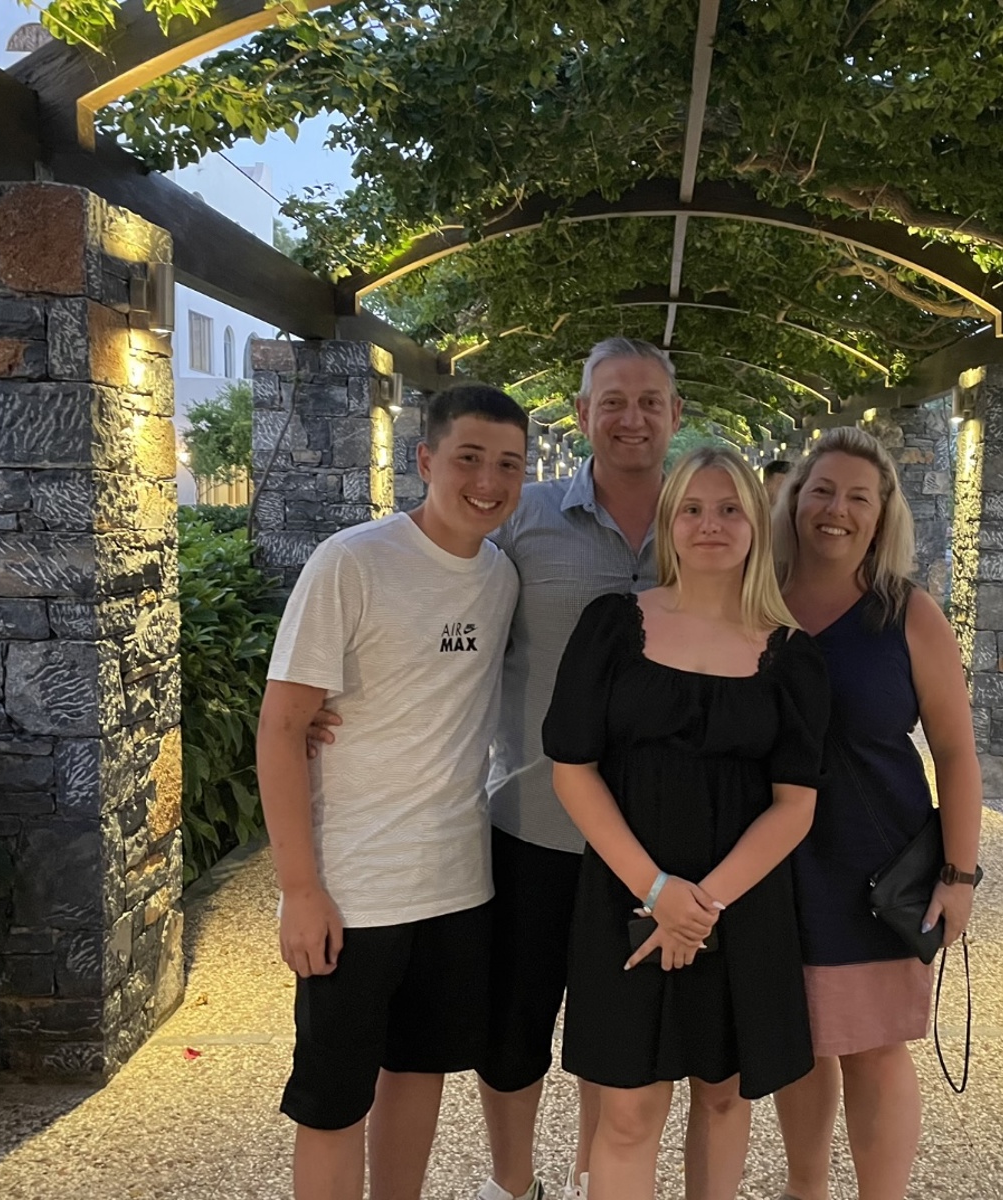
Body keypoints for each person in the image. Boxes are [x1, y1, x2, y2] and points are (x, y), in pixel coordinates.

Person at [308, 338, 685, 1200]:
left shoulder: (708, 521)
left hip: (659, 838)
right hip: (532, 825)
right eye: (612, 400)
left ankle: (596, 1182)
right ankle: (514, 1187)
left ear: (676, 413)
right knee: (512, 1034)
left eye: (649, 401)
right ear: (582, 415)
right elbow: (438, 591)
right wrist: (323, 702)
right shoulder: (521, 517)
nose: (631, 418)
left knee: (621, 1037)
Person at [257, 385, 528, 1200]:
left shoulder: (501, 576)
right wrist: (300, 889)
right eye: (468, 458)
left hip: (457, 883)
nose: (488, 481)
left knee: (419, 1073)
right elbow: (281, 728)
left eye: (508, 464)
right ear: (426, 460)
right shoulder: (352, 560)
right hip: (355, 888)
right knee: (333, 1102)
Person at [544, 446, 828, 1200]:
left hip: (742, 903)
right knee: (628, 1110)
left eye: (731, 509)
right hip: (625, 894)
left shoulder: (792, 655)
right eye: (694, 510)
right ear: (669, 524)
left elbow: (795, 804)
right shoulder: (613, 626)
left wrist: (701, 907)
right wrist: (658, 892)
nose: (711, 525)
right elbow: (572, 770)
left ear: (757, 525)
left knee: (724, 1094)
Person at [769, 427, 982, 1200]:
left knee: (874, 1049)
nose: (838, 509)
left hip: (874, 866)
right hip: (771, 863)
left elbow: (956, 753)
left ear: (882, 513)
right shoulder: (756, 600)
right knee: (798, 1044)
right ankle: (805, 1191)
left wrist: (958, 875)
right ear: (795, 500)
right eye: (822, 490)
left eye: (858, 497)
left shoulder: (908, 614)